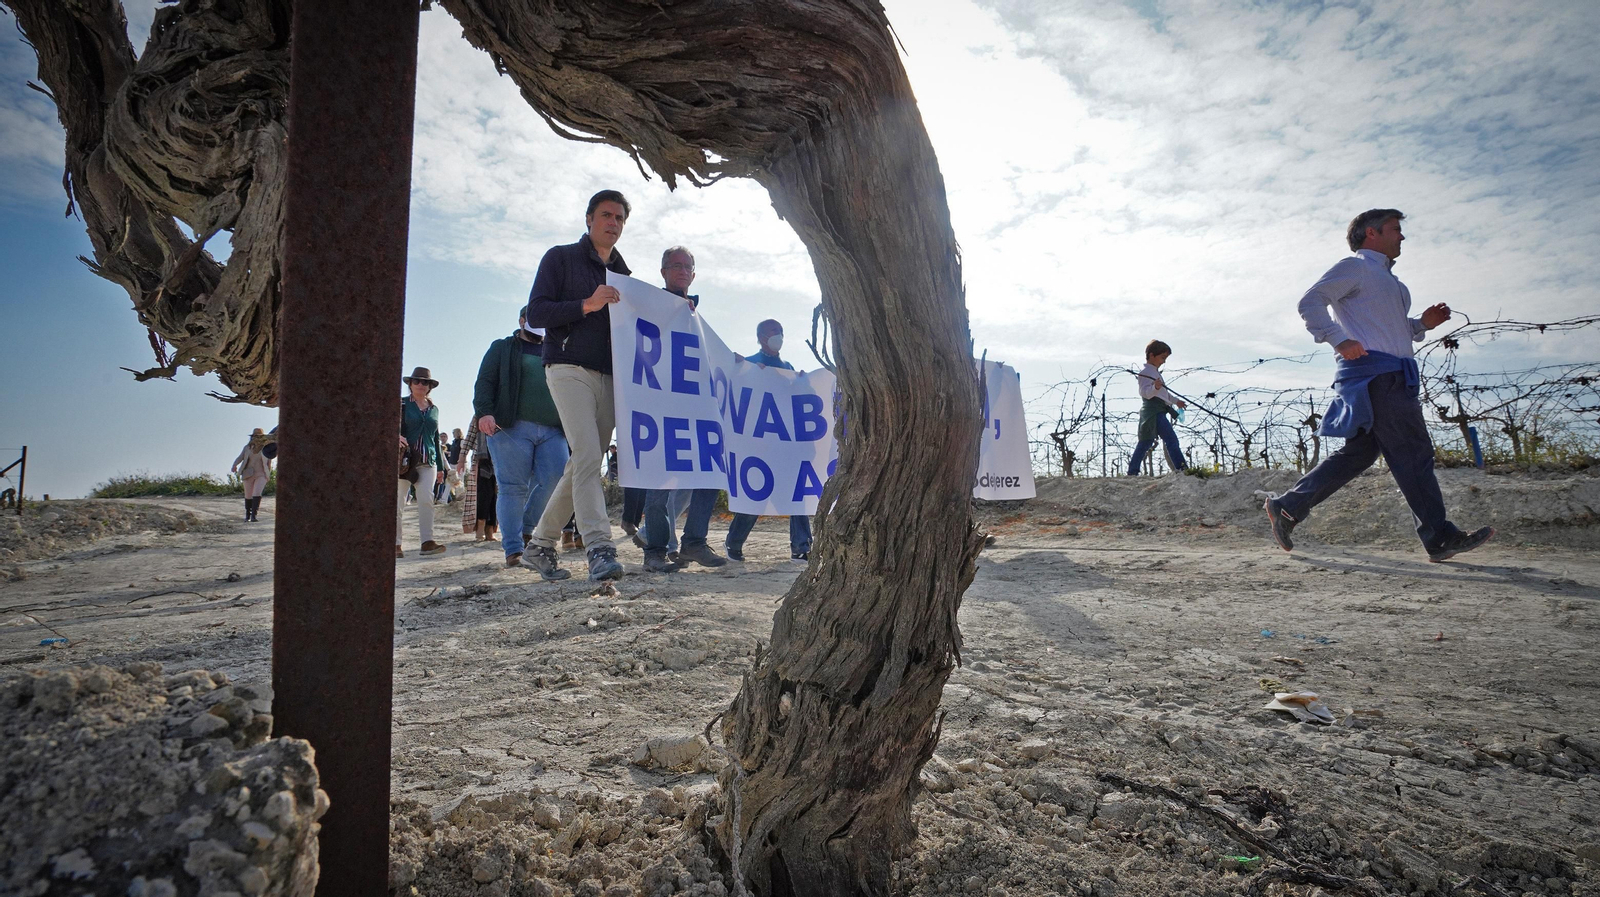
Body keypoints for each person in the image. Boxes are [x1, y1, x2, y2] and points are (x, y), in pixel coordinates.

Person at [1264, 209, 1494, 562]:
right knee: (1413, 452)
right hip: (1377, 376)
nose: (1402, 237)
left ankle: (1288, 506)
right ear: (1371, 233)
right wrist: (1339, 340)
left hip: (1391, 373)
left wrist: (1422, 324)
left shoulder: (1393, 283)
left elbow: (1389, 331)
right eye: (1395, 230)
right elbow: (1310, 301)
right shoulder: (1356, 266)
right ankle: (1439, 537)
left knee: (1360, 453)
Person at [522, 189, 632, 581]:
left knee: (583, 463)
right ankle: (599, 548)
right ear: (589, 218)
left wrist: (676, 310)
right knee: (587, 454)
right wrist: (587, 304)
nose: (613, 223)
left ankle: (539, 545)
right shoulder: (560, 258)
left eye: (620, 218)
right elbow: (536, 311)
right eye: (606, 215)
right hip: (567, 367)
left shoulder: (625, 276)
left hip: (610, 378)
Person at [638, 246, 728, 572]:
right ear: (663, 271)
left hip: (696, 407)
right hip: (660, 409)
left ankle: (693, 542)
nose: (682, 270)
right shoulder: (648, 307)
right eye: (675, 265)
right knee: (659, 484)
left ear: (694, 274)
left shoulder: (696, 318)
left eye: (687, 266)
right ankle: (655, 551)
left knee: (711, 471)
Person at [473, 310, 572, 572]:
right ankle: (514, 549)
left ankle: (527, 528)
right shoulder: (503, 348)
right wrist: (484, 412)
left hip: (553, 429)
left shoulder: (556, 349)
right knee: (513, 487)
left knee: (557, 480)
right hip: (511, 427)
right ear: (521, 321)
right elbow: (484, 381)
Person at [724, 319, 813, 562]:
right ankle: (733, 543)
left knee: (796, 495)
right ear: (762, 337)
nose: (780, 336)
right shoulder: (751, 363)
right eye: (775, 332)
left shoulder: (787, 366)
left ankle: (801, 546)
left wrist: (802, 381)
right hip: (758, 443)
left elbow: (794, 396)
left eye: (782, 332)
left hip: (784, 444)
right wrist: (741, 368)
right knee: (756, 495)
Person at [397, 366, 447, 558]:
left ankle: (427, 542)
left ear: (429, 386)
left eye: (424, 382)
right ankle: (395, 544)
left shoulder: (434, 409)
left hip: (429, 460)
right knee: (398, 501)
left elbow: (435, 438)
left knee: (427, 499)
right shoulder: (401, 404)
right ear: (410, 384)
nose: (420, 384)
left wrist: (441, 468)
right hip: (404, 461)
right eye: (416, 381)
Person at [1128, 340, 1188, 475]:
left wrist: (1176, 401)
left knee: (1146, 442)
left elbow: (1163, 394)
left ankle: (1132, 472)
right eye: (1162, 358)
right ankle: (1182, 469)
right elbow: (1145, 393)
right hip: (1153, 412)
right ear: (1151, 355)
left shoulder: (1155, 373)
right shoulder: (1145, 373)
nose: (1163, 362)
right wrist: (1155, 387)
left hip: (1159, 410)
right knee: (1170, 440)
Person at [455, 418, 499, 542]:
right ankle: (480, 528)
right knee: (483, 495)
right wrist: (461, 460)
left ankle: (490, 529)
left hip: (499, 460)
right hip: (481, 461)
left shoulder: (503, 412)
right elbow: (469, 439)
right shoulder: (479, 416)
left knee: (495, 497)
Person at [231, 428, 273, 522]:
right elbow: (240, 457)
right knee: (248, 495)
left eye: (259, 436)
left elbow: (269, 462)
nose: (257, 438)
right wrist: (234, 465)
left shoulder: (266, 448)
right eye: (255, 436)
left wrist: (268, 474)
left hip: (261, 474)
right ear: (252, 437)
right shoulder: (247, 448)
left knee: (257, 493)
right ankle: (247, 515)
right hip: (248, 473)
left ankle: (254, 516)